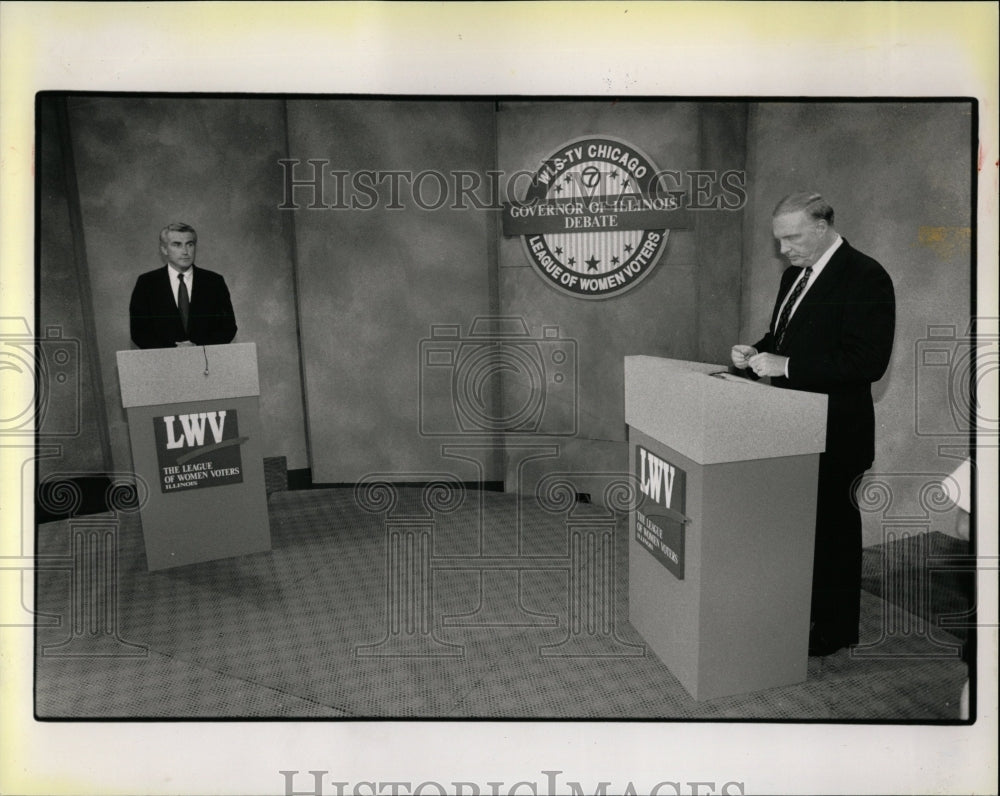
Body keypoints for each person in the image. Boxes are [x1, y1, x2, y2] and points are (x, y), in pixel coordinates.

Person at [731, 192, 895, 656]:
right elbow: (783, 339)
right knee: (796, 531)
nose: (784, 249)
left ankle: (835, 629)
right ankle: (796, 610)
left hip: (836, 433)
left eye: (792, 237)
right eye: (779, 239)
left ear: (822, 226)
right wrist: (752, 352)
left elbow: (868, 361)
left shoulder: (866, 275)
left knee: (832, 535)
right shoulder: (793, 277)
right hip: (789, 428)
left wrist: (785, 367)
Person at [129, 222, 237, 349]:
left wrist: (197, 347)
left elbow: (228, 328)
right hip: (164, 364)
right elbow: (139, 332)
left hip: (207, 363)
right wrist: (175, 351)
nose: (185, 251)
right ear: (164, 249)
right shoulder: (146, 283)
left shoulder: (214, 282)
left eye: (189, 244)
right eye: (177, 245)